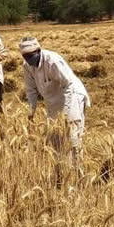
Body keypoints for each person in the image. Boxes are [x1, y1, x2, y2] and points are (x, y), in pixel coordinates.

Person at [19, 36, 91, 169]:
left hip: (72, 97)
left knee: (72, 137)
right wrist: (31, 111)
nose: (28, 59)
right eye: (25, 56)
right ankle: (62, 171)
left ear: (38, 51)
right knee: (56, 139)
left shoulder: (52, 61)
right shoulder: (27, 66)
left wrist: (66, 112)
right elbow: (30, 90)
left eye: (31, 55)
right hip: (52, 102)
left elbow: (68, 85)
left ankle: (77, 172)